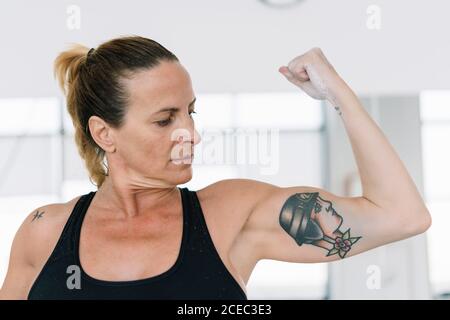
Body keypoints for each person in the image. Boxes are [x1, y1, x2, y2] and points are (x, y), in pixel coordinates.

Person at [0, 36, 431, 299]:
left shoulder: (230, 214)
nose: (190, 132)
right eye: (165, 119)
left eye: (191, 112)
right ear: (104, 134)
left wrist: (338, 91)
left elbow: (401, 216)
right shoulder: (44, 231)